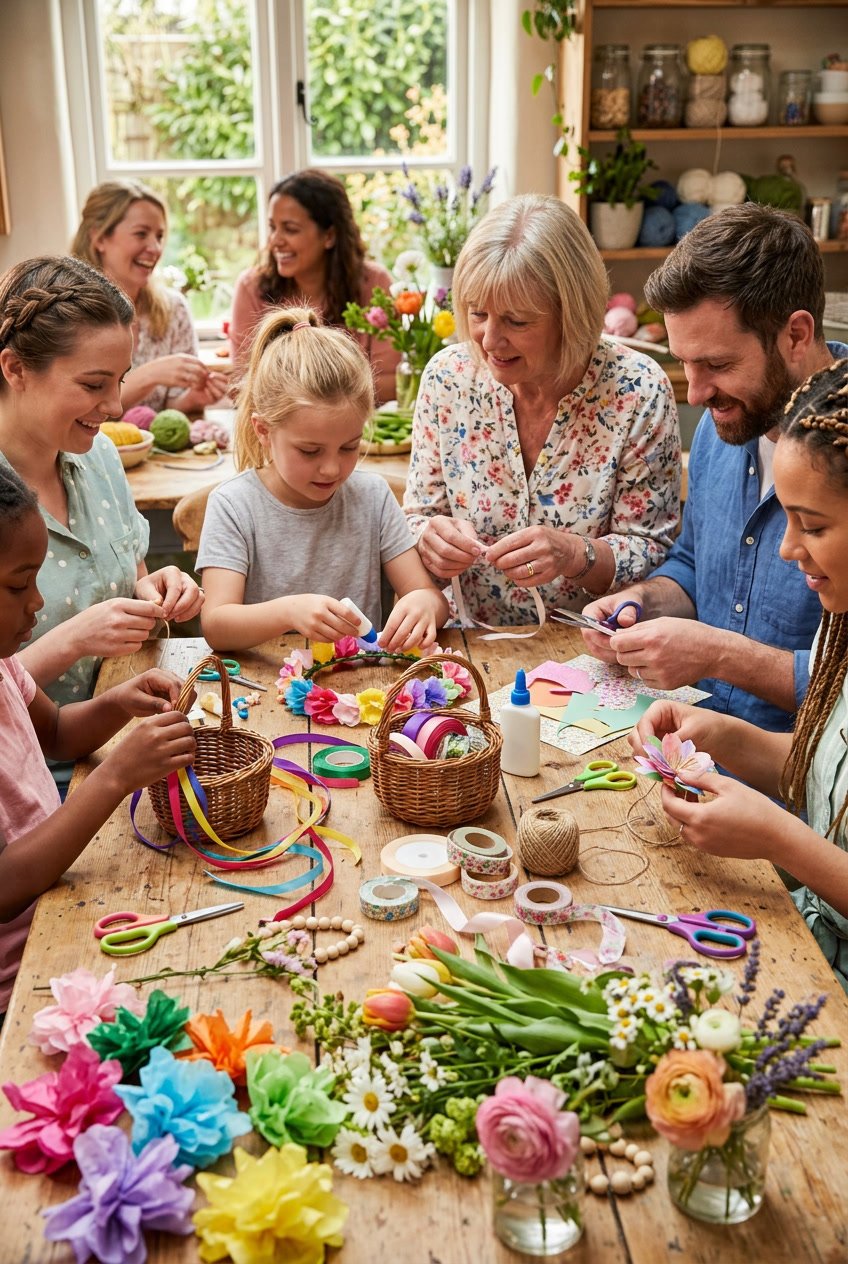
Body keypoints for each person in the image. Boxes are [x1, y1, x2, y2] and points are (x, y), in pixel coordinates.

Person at [581, 204, 848, 732]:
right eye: (685, 362)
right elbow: (694, 566)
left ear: (796, 334)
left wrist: (722, 656)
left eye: (718, 365)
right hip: (695, 754)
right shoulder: (720, 428)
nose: (697, 393)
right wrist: (641, 602)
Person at [630, 360, 848, 993]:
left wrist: (777, 836)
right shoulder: (839, 624)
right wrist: (720, 735)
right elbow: (822, 773)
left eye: (813, 525)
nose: (787, 548)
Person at [402, 193, 681, 627]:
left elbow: (652, 551)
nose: (489, 341)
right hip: (466, 645)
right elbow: (417, 517)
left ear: (572, 313)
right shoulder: (448, 378)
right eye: (478, 313)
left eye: (517, 321)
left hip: (589, 653)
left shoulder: (638, 390)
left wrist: (575, 554)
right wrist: (428, 540)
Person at [0, 255, 204, 791]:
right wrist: (74, 639)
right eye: (94, 384)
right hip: (34, 787)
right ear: (15, 370)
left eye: (120, 380)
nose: (114, 405)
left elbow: (131, 572)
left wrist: (156, 587)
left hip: (124, 750)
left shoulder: (99, 458)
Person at [0, 461, 195, 1013]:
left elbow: (57, 733)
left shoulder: (3, 666)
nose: (37, 604)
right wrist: (115, 777)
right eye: (19, 585)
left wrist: (118, 702)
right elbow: (5, 884)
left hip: (62, 902)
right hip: (23, 976)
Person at [197, 307, 449, 652]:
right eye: (310, 451)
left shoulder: (372, 497)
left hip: (362, 689)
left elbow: (430, 597)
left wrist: (424, 604)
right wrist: (288, 612)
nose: (332, 469)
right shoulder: (234, 505)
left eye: (348, 447)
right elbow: (216, 625)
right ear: (263, 431)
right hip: (266, 693)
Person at [229, 169, 399, 402]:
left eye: (290, 229)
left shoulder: (375, 284)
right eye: (272, 227)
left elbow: (391, 383)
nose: (275, 241)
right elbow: (242, 386)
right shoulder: (252, 288)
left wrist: (294, 388)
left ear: (329, 236)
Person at [72, 179, 227, 414]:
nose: (155, 248)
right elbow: (82, 409)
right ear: (100, 238)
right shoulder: (69, 313)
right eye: (141, 234)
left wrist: (192, 399)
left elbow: (164, 409)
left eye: (159, 236)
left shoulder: (174, 309)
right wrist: (151, 375)